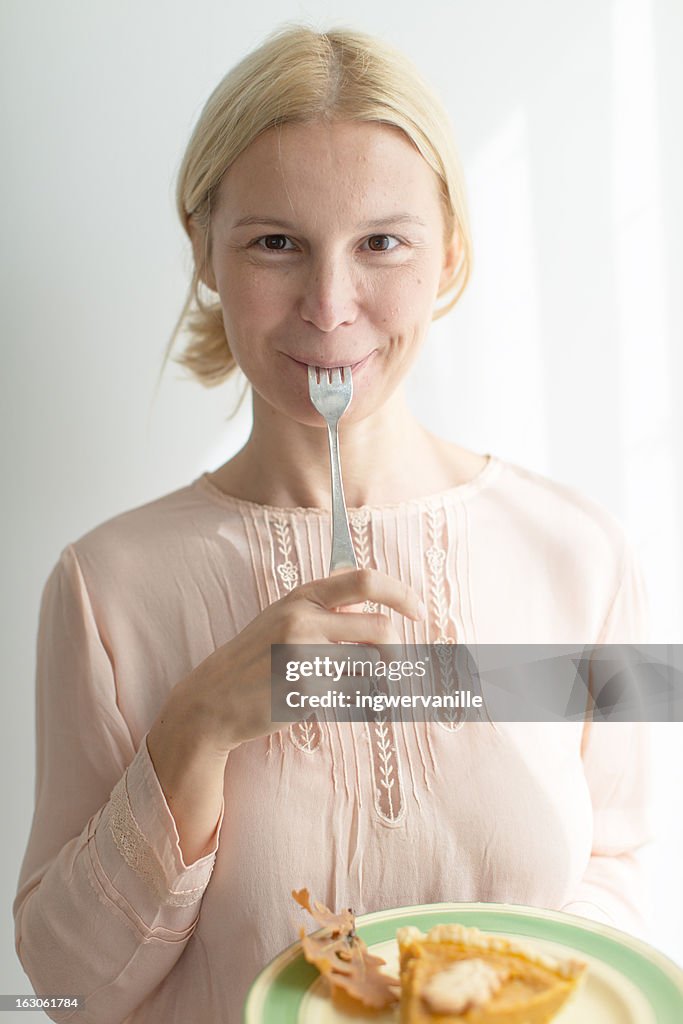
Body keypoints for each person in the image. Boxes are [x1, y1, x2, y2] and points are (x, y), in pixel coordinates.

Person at [13, 24, 651, 1024]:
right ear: (204, 251)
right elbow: (61, 989)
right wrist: (197, 728)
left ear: (451, 252)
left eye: (380, 242)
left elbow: (627, 867)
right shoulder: (103, 587)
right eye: (275, 242)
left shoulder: (585, 555)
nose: (328, 303)